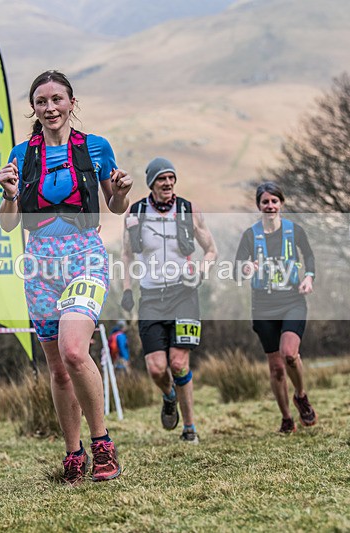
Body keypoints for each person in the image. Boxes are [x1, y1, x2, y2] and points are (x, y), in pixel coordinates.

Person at [0, 70, 132, 484]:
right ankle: (73, 453)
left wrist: (121, 192)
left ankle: (102, 444)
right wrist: (9, 195)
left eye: (57, 99)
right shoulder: (21, 155)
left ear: (72, 103)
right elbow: (8, 224)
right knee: (57, 370)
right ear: (33, 108)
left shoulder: (96, 147)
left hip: (84, 256)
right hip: (39, 262)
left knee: (74, 351)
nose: (50, 107)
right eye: (41, 101)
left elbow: (116, 206)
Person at [120, 157, 217, 443]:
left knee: (178, 363)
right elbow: (126, 254)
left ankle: (189, 428)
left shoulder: (189, 210)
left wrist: (201, 272)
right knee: (156, 368)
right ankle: (169, 395)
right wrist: (127, 290)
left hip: (184, 294)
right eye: (162, 178)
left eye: (171, 178)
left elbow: (211, 250)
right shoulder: (136, 212)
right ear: (151, 183)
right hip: (150, 297)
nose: (168, 183)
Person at [234, 182, 317, 434]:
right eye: (265, 202)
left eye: (274, 201)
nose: (270, 206)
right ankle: (286, 418)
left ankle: (300, 395)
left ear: (281, 203)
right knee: (276, 367)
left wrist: (309, 277)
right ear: (258, 205)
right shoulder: (250, 235)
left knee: (289, 354)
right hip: (263, 305)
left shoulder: (294, 230)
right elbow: (237, 268)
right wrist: (246, 268)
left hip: (292, 300)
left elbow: (309, 256)